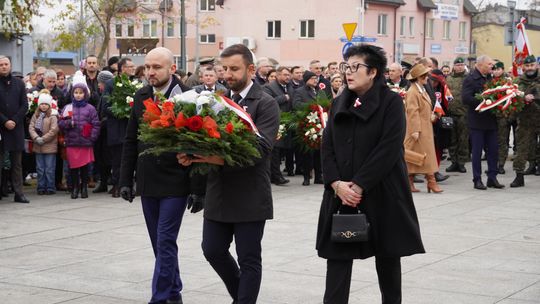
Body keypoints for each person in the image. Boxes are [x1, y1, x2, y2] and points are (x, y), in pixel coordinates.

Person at [316, 44, 425, 304]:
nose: (348, 73)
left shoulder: (391, 102)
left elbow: (388, 149)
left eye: (355, 67)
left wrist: (360, 185)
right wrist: (335, 183)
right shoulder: (340, 100)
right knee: (338, 257)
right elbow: (327, 145)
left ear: (373, 71)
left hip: (382, 191)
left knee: (388, 258)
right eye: (346, 67)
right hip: (341, 193)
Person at [177, 44, 280, 304]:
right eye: (225, 69)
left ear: (251, 69)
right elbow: (204, 138)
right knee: (212, 250)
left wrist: (211, 157)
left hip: (250, 194)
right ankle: (242, 297)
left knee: (248, 258)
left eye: (234, 69)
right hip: (219, 192)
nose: (228, 74)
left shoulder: (266, 103)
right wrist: (190, 154)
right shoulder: (218, 100)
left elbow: (260, 150)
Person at [119, 47, 203, 304]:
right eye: (147, 67)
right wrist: (125, 180)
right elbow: (131, 140)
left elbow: (199, 144)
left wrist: (198, 188)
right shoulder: (141, 94)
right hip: (147, 180)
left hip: (177, 181)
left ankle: (160, 298)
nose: (150, 72)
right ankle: (174, 290)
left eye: (157, 67)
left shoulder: (189, 98)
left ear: (172, 69)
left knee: (166, 239)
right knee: (159, 243)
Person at [462, 55, 505, 190]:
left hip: (491, 120)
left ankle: (492, 178)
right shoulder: (470, 79)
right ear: (480, 65)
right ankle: (477, 179)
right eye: (489, 64)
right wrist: (484, 101)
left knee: (493, 151)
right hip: (477, 121)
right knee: (477, 152)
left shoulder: (490, 78)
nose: (492, 66)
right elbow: (466, 98)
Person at [58, 73, 100, 199]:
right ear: (72, 94)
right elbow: (60, 122)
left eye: (81, 92)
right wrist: (67, 123)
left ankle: (84, 188)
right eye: (76, 92)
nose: (78, 95)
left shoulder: (91, 108)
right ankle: (75, 188)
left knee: (85, 168)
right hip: (72, 142)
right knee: (74, 168)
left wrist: (92, 137)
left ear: (85, 94)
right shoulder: (67, 107)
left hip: (86, 142)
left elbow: (96, 124)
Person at [404, 65, 444, 193]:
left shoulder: (421, 89)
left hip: (425, 127)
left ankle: (410, 183)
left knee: (416, 156)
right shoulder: (412, 91)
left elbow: (423, 109)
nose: (428, 78)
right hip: (418, 129)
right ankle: (431, 181)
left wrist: (432, 115)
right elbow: (412, 111)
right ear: (419, 78)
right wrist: (415, 130)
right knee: (423, 156)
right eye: (425, 76)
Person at [0, 55, 30, 203]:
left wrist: (14, 120)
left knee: (17, 163)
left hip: (16, 128)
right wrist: (5, 121)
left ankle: (19, 193)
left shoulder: (19, 84)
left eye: (6, 64)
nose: (4, 67)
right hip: (1, 128)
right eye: (1, 65)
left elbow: (25, 105)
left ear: (10, 65)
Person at [511, 55, 540, 186]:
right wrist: (523, 98)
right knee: (521, 148)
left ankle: (536, 165)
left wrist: (534, 96)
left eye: (532, 65)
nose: (529, 68)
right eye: (527, 66)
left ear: (537, 66)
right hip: (525, 120)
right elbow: (512, 98)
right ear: (523, 67)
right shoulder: (517, 82)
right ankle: (519, 175)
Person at [263, 66, 294, 182]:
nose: (288, 77)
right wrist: (283, 98)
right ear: (278, 75)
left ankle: (280, 173)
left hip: (288, 121)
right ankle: (276, 176)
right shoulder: (268, 87)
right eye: (285, 75)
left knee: (283, 149)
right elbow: (268, 102)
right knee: (275, 150)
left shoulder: (289, 87)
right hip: (275, 121)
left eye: (288, 75)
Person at [293, 70, 323, 186]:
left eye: (316, 78)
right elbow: (296, 105)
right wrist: (313, 107)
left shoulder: (319, 91)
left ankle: (318, 177)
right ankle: (306, 177)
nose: (315, 80)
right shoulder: (299, 91)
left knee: (318, 153)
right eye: (312, 78)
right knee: (307, 153)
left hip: (319, 124)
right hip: (306, 125)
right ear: (306, 80)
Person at [29, 91, 59, 195]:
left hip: (49, 146)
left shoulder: (53, 116)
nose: (44, 106)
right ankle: (41, 187)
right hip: (38, 146)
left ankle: (50, 187)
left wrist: (44, 139)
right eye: (42, 104)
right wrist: (36, 137)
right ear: (39, 105)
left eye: (46, 104)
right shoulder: (36, 115)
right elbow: (31, 127)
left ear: (49, 105)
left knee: (49, 168)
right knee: (40, 169)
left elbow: (54, 130)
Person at [446, 57, 469, 173]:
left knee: (463, 139)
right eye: (458, 65)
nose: (460, 67)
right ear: (454, 66)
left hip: (464, 114)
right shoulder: (448, 78)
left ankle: (461, 162)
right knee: (452, 138)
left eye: (462, 64)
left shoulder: (468, 78)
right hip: (450, 113)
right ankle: (453, 161)